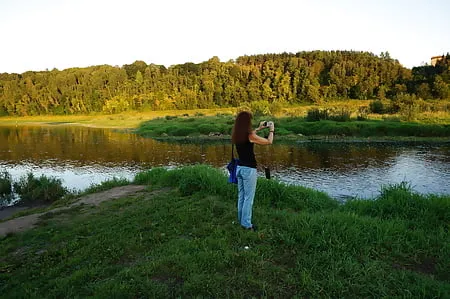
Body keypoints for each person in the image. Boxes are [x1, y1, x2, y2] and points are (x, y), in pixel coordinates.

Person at [231, 111, 274, 231]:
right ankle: (247, 224)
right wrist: (271, 130)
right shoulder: (249, 136)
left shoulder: (237, 134)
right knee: (248, 198)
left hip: (239, 168)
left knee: (241, 196)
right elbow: (268, 142)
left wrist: (259, 128)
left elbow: (251, 134)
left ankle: (241, 220)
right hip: (249, 170)